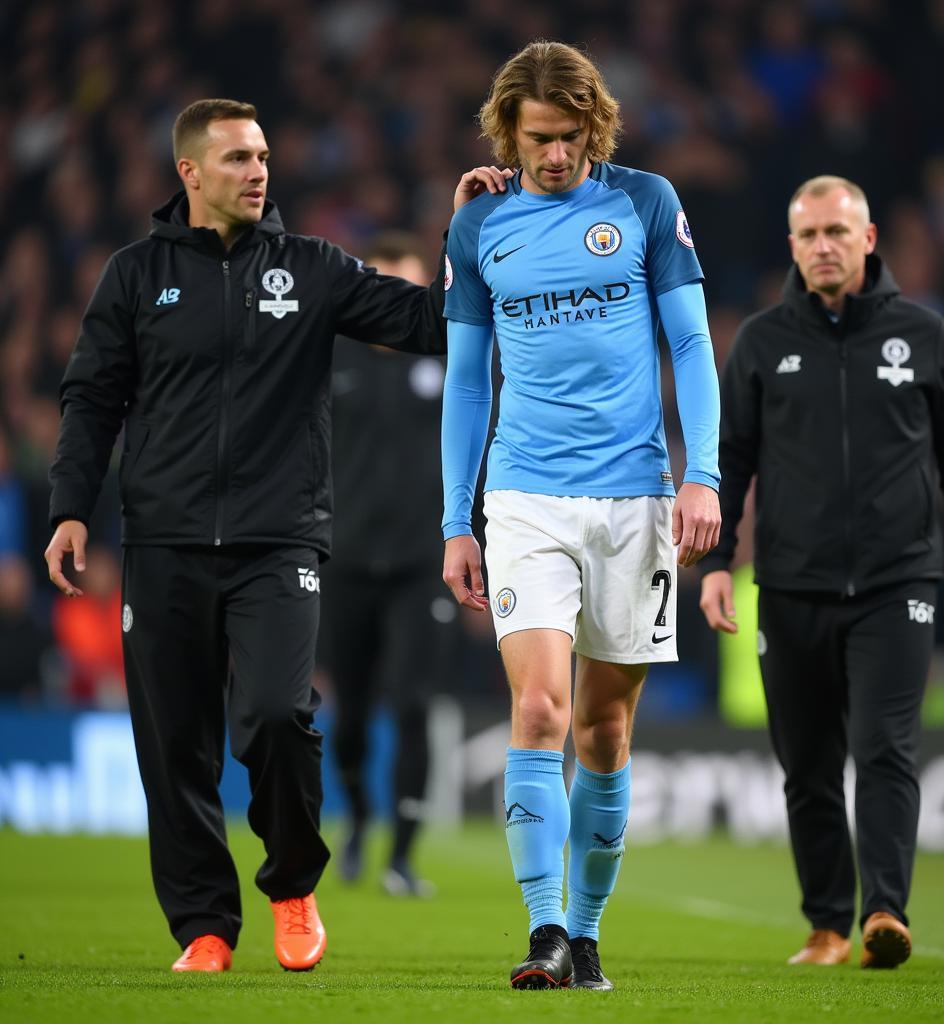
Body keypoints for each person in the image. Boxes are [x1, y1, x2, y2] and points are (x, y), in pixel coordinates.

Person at [43, 98, 483, 974]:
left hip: (279, 540)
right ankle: (205, 926)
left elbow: (428, 322)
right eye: (239, 157)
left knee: (280, 713)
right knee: (175, 744)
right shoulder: (135, 276)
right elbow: (92, 399)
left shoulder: (314, 268)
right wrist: (70, 507)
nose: (258, 171)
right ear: (190, 173)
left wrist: (466, 237)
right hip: (162, 540)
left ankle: (291, 887)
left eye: (264, 156)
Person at [441, 42, 722, 990]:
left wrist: (704, 475)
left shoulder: (645, 203)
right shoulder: (479, 225)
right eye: (536, 139)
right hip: (524, 499)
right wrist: (457, 519)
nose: (553, 156)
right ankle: (544, 930)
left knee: (603, 734)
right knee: (539, 707)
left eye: (567, 138)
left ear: (592, 128)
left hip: (635, 496)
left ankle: (589, 933)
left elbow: (689, 342)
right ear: (508, 134)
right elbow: (467, 385)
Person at [698, 175, 944, 969]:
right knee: (805, 764)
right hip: (791, 584)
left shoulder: (925, 335)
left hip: (896, 581)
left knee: (883, 747)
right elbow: (730, 460)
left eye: (837, 231)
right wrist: (715, 562)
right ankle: (828, 924)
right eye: (808, 235)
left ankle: (886, 913)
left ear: (869, 239)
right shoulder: (764, 342)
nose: (823, 247)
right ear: (793, 247)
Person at [317, 232, 456, 898]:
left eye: (409, 286)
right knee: (348, 715)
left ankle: (401, 854)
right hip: (342, 562)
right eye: (384, 286)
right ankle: (359, 816)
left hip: (419, 564)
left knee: (413, 703)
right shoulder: (331, 356)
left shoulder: (450, 355)